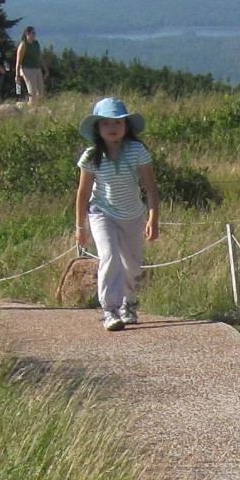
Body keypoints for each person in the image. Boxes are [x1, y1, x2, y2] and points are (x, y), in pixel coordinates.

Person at [73, 97, 160, 332]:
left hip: (132, 213)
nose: (112, 129)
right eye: (106, 124)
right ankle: (109, 309)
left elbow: (150, 186)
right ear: (97, 128)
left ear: (126, 126)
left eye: (117, 123)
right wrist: (80, 227)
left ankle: (128, 303)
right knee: (109, 256)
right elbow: (82, 193)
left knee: (132, 265)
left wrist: (153, 218)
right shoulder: (91, 156)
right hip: (102, 212)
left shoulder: (137, 150)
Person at [14, 25, 45, 102]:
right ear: (27, 34)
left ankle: (34, 105)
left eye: (34, 33)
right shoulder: (23, 45)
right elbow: (18, 61)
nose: (34, 34)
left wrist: (45, 69)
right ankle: (31, 108)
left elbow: (39, 57)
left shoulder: (36, 43)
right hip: (27, 69)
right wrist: (17, 75)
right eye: (32, 33)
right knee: (32, 92)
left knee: (40, 92)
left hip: (37, 68)